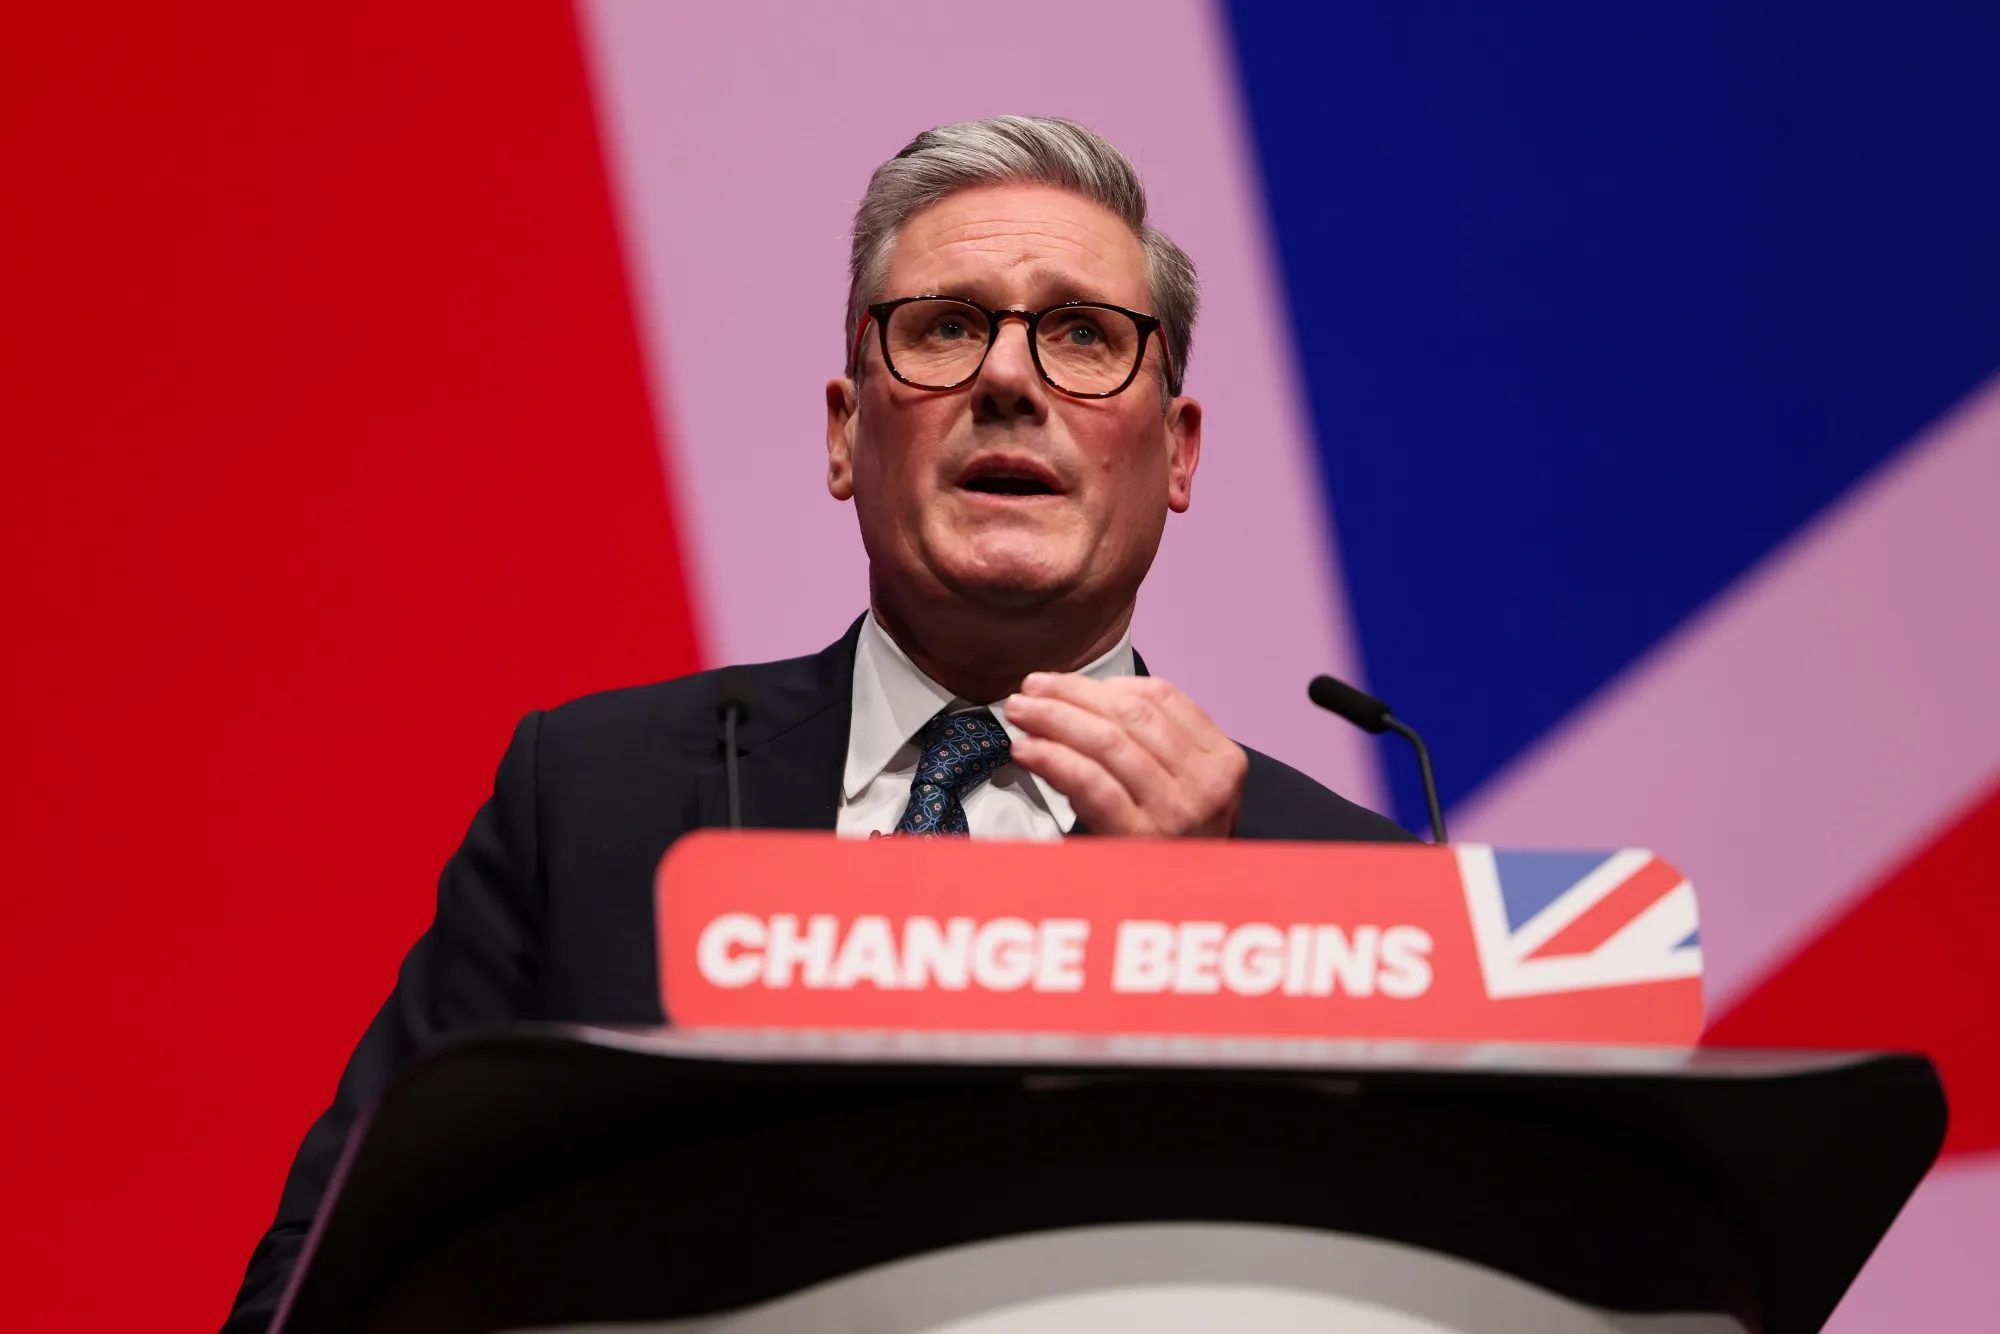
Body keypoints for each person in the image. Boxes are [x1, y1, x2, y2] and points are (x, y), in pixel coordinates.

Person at [221, 114, 1409, 1331]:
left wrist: (1195, 952)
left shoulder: (1360, 894)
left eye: (1082, 335)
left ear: (1176, 450)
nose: (1007, 380)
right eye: (944, 327)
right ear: (845, 432)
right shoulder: (589, 802)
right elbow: (318, 1287)